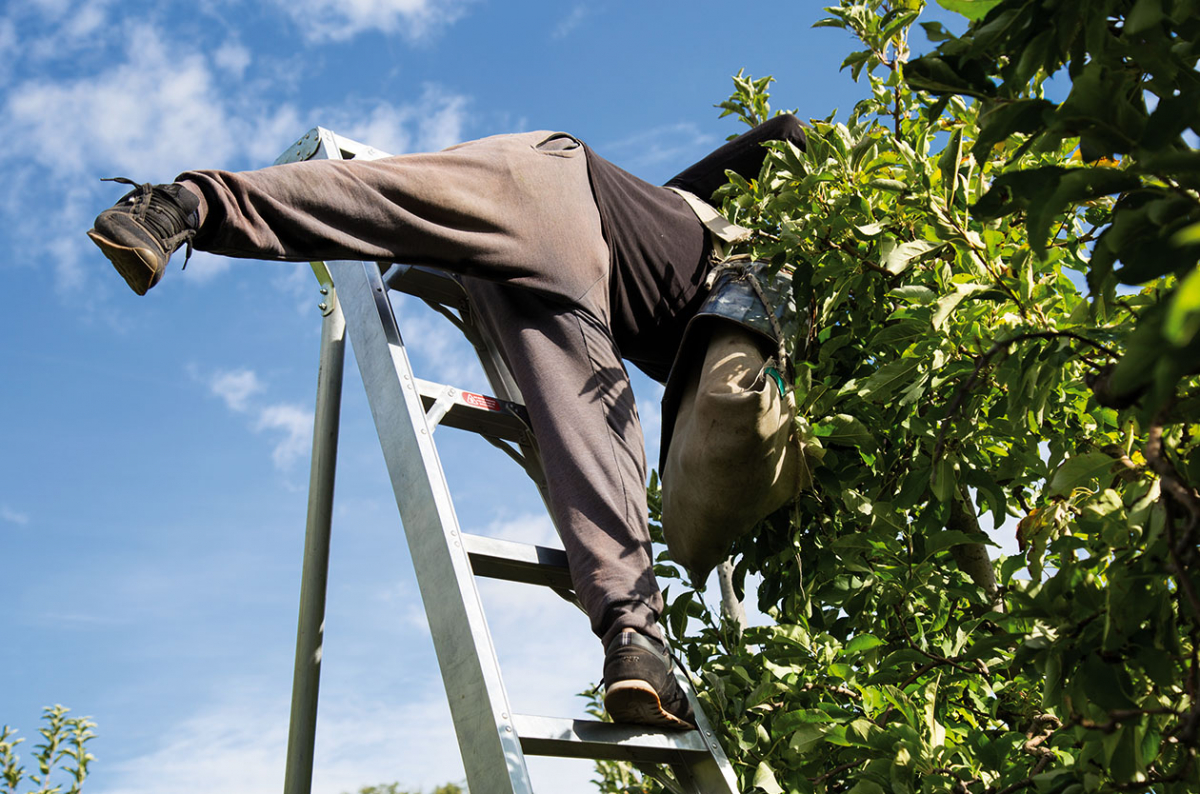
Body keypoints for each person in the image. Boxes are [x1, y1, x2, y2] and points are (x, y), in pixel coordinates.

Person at [87, 113, 807, 730]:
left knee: (370, 204)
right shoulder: (752, 272)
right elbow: (790, 134)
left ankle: (177, 206)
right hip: (565, 207)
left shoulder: (693, 259)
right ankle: (635, 639)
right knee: (598, 448)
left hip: (550, 244)